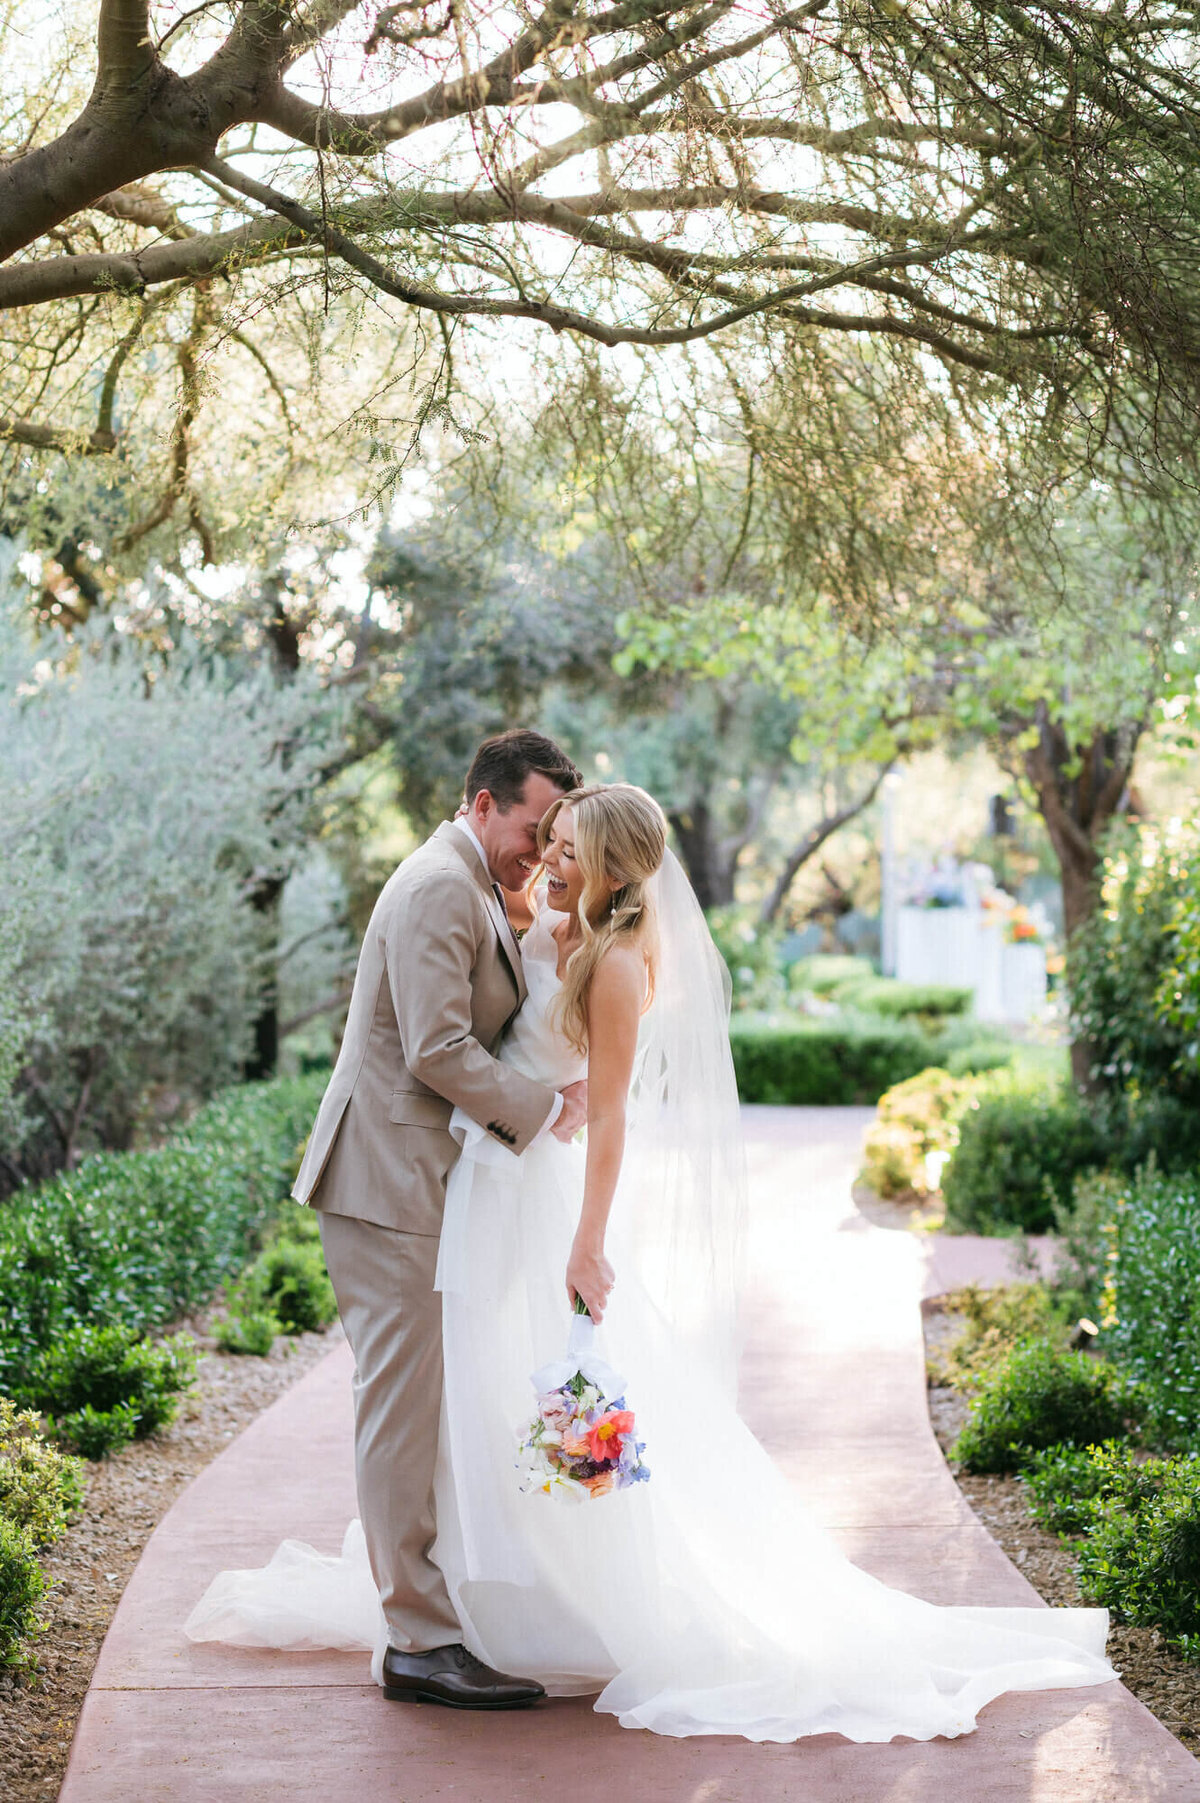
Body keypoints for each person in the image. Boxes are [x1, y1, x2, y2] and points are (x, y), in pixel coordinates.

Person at [187, 781, 1119, 1742]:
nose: (551, 858)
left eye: (570, 849)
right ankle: (479, 1592)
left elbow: (612, 1117)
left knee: (557, 1393)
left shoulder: (621, 966)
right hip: (483, 1191)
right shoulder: (548, 923)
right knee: (483, 1389)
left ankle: (574, 1599)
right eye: (548, 842)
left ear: (617, 870)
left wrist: (589, 1240)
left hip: (537, 1201)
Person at [274, 728, 586, 1709]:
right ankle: (416, 1638)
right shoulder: (440, 886)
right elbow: (436, 1049)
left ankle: (433, 1614)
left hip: (421, 1183)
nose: (538, 851)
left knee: (422, 1402)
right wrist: (544, 1110)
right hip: (386, 1184)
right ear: (484, 801)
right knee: (401, 1407)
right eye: (533, 828)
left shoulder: (476, 882)